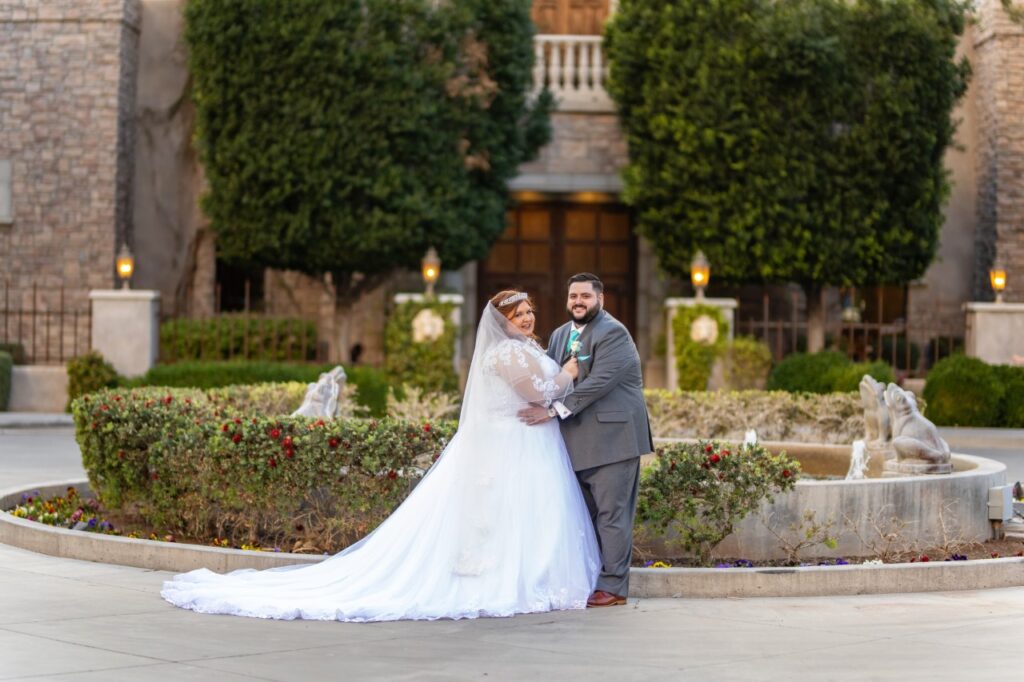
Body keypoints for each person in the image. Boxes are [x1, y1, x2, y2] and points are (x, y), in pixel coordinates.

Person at [161, 290, 599, 622]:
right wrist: (568, 373)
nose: (526, 319)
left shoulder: (527, 347)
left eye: (528, 313)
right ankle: (503, 580)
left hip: (532, 444)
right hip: (512, 444)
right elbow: (535, 391)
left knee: (526, 515)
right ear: (501, 323)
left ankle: (535, 577)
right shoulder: (505, 353)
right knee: (500, 515)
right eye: (517, 315)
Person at [519, 272, 653, 608]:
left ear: (600, 299)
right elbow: (550, 377)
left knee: (612, 515)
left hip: (613, 440)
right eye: (573, 296)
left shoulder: (614, 333)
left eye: (585, 297)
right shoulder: (561, 334)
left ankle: (614, 587)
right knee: (585, 515)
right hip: (574, 442)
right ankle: (590, 578)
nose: (578, 302)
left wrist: (552, 412)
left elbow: (598, 383)